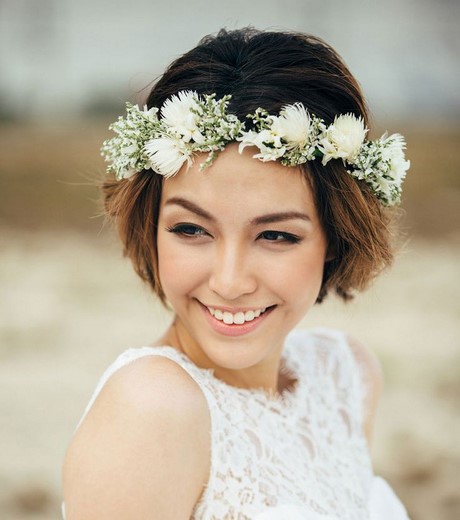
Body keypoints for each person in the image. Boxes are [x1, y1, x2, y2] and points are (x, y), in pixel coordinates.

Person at [62, 28, 411, 519]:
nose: (229, 281)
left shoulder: (346, 376)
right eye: (190, 229)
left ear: (336, 236)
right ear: (151, 226)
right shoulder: (151, 409)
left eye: (275, 236)